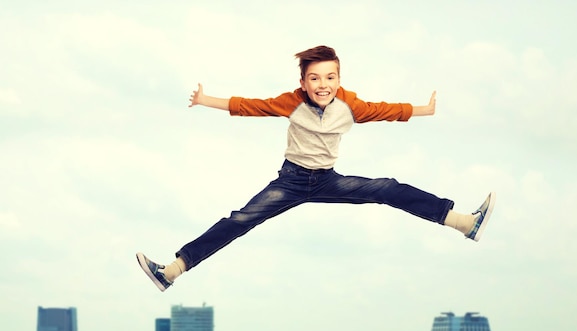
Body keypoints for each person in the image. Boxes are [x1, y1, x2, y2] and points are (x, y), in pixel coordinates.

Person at [136, 45, 495, 292]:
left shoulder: (350, 105)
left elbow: (384, 110)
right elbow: (248, 105)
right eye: (315, 78)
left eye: (330, 77)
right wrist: (204, 100)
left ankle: (464, 222)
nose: (323, 85)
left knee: (387, 188)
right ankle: (172, 271)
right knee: (239, 220)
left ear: (338, 79)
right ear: (303, 82)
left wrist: (423, 110)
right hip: (290, 181)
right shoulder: (290, 103)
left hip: (328, 182)